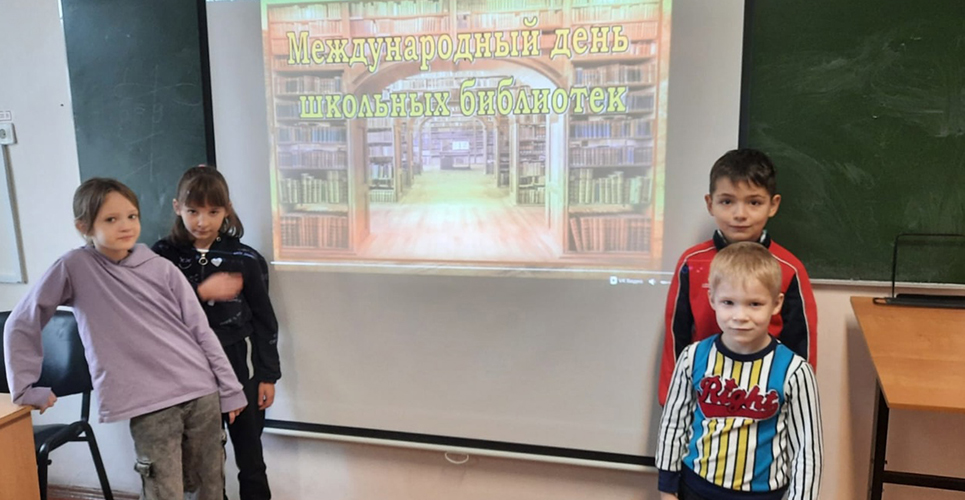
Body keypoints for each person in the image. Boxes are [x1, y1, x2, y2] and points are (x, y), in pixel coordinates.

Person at [3, 178, 246, 500]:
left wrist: (230, 389)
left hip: (201, 393)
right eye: (111, 219)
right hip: (150, 406)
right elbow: (22, 321)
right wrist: (24, 388)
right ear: (83, 226)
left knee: (210, 488)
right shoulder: (75, 267)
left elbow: (201, 331)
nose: (126, 226)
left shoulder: (162, 268)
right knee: (163, 491)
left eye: (132, 216)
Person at [655, 242, 823, 500]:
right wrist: (667, 488)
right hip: (695, 488)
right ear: (712, 299)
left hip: (762, 495)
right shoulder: (692, 358)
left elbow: (807, 448)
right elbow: (673, 424)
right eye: (728, 302)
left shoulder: (795, 371)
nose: (740, 316)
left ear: (776, 304)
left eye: (754, 304)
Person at [152, 165, 280, 500]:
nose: (202, 222)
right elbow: (153, 314)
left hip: (239, 363)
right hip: (187, 367)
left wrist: (267, 375)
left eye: (213, 211)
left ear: (227, 210)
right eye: (193, 211)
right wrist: (201, 293)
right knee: (203, 460)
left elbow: (265, 320)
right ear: (177, 207)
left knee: (251, 456)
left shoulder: (246, 258)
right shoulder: (161, 256)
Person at [658, 148, 818, 405]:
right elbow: (676, 335)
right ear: (710, 203)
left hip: (762, 399)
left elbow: (802, 344)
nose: (740, 214)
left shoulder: (789, 268)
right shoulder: (692, 262)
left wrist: (797, 401)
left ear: (773, 205)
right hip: (704, 394)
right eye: (727, 201)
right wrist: (673, 398)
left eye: (754, 202)